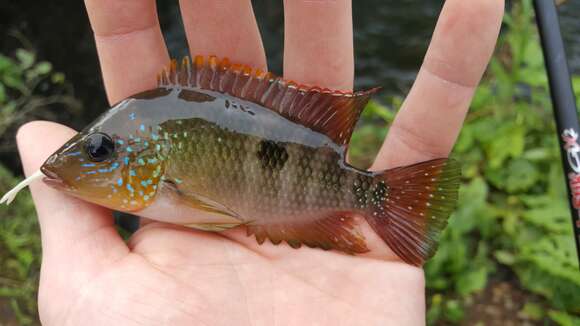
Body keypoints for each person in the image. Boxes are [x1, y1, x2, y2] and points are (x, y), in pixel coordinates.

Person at [16, 0, 504, 324]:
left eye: (101, 148)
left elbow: (208, 211)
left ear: (148, 160)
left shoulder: (154, 152)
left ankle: (378, 195)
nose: (87, 156)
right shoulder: (142, 137)